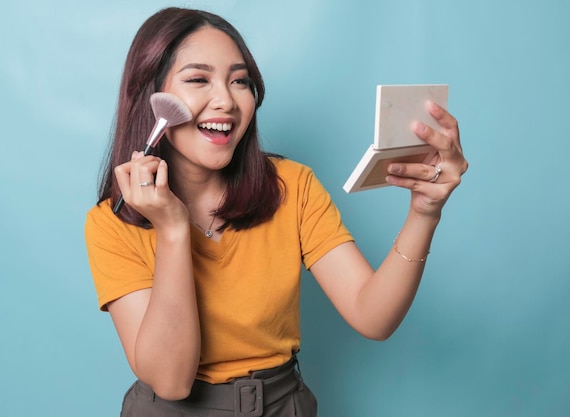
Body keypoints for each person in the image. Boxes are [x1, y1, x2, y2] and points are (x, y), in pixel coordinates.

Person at [84, 7, 468, 417]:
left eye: (240, 81)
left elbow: (373, 317)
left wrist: (425, 213)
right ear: (151, 97)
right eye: (198, 79)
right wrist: (174, 230)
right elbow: (172, 381)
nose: (226, 101)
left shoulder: (291, 186)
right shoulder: (110, 223)